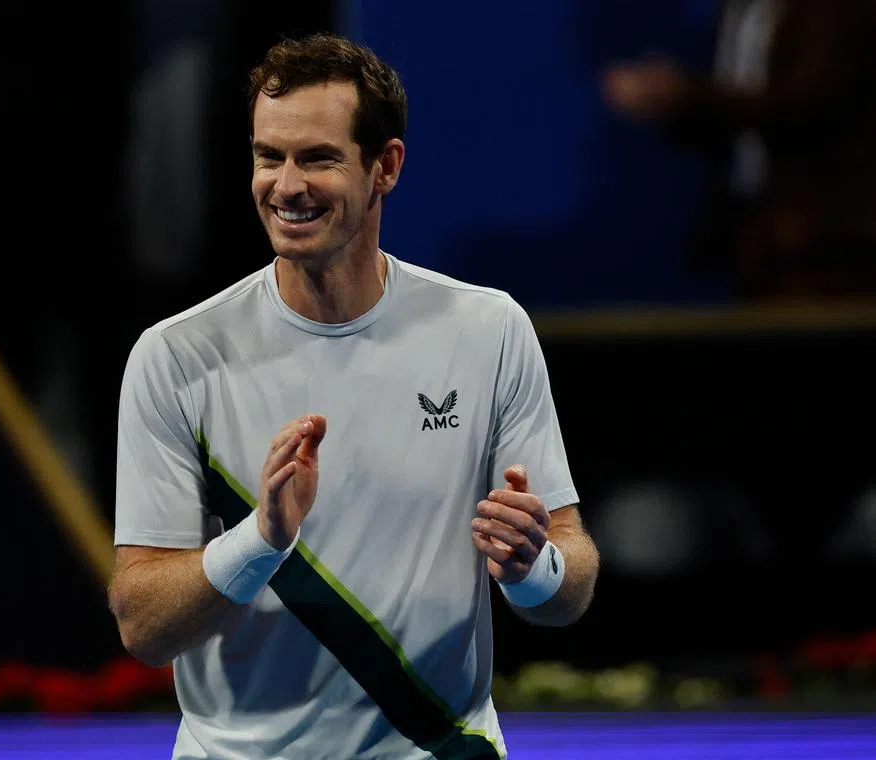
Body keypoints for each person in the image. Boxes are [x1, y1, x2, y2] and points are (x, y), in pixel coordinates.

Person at [109, 33, 599, 759]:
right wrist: (261, 539)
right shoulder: (175, 356)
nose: (285, 185)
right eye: (267, 156)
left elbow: (571, 580)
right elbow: (143, 627)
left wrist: (532, 568)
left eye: (317, 158)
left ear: (385, 167)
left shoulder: (489, 329)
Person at [601, 0, 876, 299]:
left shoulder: (835, 8)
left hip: (830, 243)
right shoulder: (737, 9)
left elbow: (812, 103)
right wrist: (671, 104)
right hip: (757, 241)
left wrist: (686, 97)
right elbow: (733, 115)